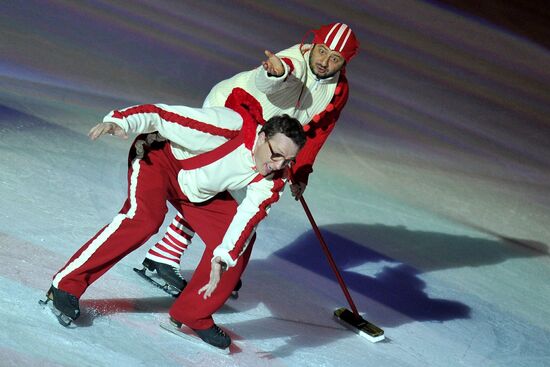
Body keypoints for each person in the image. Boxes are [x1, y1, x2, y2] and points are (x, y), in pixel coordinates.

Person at [44, 88, 306, 350]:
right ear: (261, 137)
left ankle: (194, 313)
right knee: (145, 219)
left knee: (241, 243)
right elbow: (160, 115)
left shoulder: (275, 178)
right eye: (276, 154)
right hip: (159, 159)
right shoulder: (226, 126)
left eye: (288, 161)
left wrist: (223, 257)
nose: (278, 164)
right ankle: (66, 284)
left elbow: (248, 218)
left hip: (198, 190)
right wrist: (119, 120)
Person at [140, 22, 360, 296]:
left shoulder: (338, 90)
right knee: (217, 190)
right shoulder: (294, 60)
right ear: (313, 44)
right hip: (231, 113)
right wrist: (276, 73)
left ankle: (168, 255)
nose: (325, 61)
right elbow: (275, 76)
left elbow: (318, 132)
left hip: (266, 138)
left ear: (345, 62)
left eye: (335, 58)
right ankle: (165, 256)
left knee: (228, 194)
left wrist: (301, 170)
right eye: (322, 51)